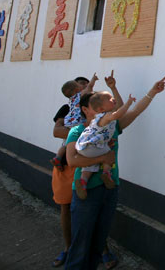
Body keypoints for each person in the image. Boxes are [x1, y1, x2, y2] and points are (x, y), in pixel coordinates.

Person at [64, 75, 165, 270]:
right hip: (86, 194)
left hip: (109, 190)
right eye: (93, 106)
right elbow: (72, 160)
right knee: (80, 244)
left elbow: (134, 111)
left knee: (98, 242)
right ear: (86, 110)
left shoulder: (112, 127)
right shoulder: (77, 131)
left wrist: (152, 92)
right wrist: (102, 159)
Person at [51, 74, 119, 269]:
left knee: (94, 217)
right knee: (69, 209)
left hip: (88, 167)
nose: (83, 88)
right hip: (66, 166)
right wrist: (82, 132)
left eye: (85, 86)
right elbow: (57, 132)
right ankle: (68, 248)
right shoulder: (67, 110)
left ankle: (102, 251)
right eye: (80, 85)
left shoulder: (102, 121)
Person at [74, 92, 136, 199]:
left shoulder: (98, 117)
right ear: (101, 108)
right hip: (92, 146)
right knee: (109, 153)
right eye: (109, 99)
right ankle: (107, 172)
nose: (112, 99)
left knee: (89, 166)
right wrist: (128, 103)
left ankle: (83, 181)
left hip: (86, 147)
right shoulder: (106, 116)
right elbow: (118, 114)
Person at [51, 73, 98, 170]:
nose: (85, 85)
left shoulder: (72, 100)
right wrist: (93, 79)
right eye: (82, 84)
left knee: (66, 142)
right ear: (76, 89)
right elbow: (57, 132)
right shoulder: (73, 102)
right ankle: (61, 158)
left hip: (70, 122)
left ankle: (58, 157)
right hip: (77, 122)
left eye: (87, 83)